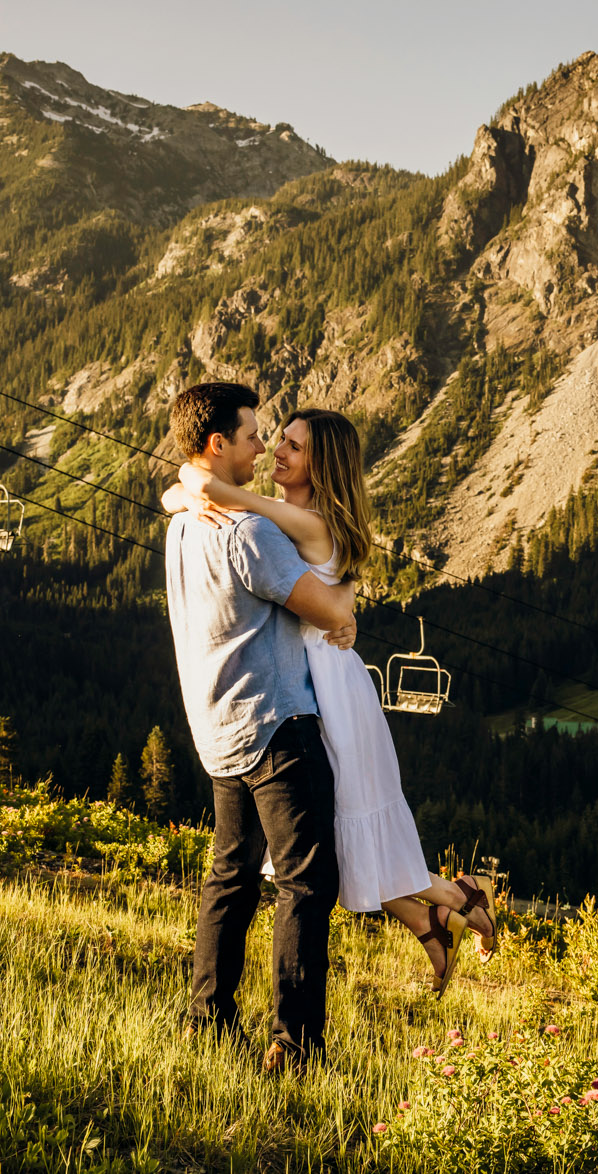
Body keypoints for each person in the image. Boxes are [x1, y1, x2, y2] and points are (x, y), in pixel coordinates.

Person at [167, 406, 498, 993]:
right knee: (334, 837)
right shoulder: (309, 520)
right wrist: (188, 498)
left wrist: (196, 491)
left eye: (293, 446)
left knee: (333, 837)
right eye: (279, 441)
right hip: (312, 684)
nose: (277, 452)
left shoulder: (305, 521)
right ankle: (440, 911)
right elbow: (192, 496)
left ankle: (451, 901)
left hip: (326, 697)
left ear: (321, 465)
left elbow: (205, 488)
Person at [161, 382, 357, 1073]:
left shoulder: (182, 524)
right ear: (219, 444)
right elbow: (327, 612)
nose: (262, 446)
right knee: (305, 884)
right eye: (251, 436)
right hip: (277, 726)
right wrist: (347, 604)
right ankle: (294, 1043)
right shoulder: (249, 534)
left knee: (232, 876)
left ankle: (206, 1018)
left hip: (216, 728)